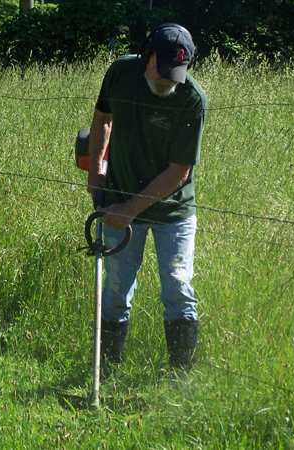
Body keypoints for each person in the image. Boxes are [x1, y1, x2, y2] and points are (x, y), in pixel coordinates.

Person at [87, 23, 206, 370]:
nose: (169, 79)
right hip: (119, 199)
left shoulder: (192, 99)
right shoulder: (121, 73)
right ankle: (106, 371)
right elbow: (102, 119)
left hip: (174, 212)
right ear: (147, 54)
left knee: (178, 287)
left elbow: (179, 170)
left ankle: (179, 379)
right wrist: (97, 175)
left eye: (177, 72)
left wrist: (130, 209)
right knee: (116, 288)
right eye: (162, 69)